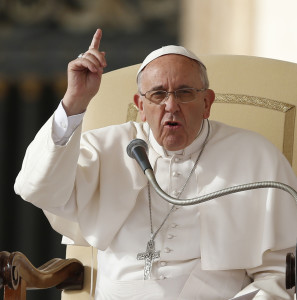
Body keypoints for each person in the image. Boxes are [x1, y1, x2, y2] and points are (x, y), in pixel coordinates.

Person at [15, 29, 297, 299]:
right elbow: (36, 188)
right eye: (158, 94)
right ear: (140, 106)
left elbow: (277, 273)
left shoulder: (254, 155)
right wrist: (74, 101)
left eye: (185, 93)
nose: (171, 106)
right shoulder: (106, 147)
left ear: (207, 102)